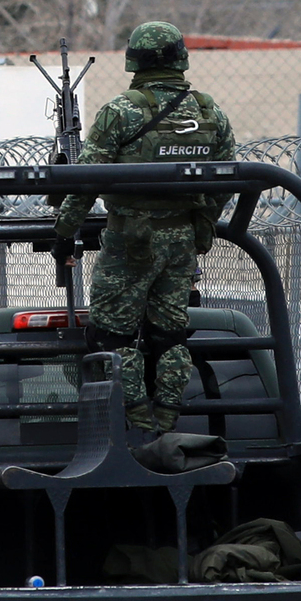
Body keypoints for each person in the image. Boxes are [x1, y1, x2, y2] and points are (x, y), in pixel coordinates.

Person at [53, 21, 236, 433]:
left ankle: (136, 419)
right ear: (181, 58)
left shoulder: (122, 111)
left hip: (129, 242)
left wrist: (64, 232)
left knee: (112, 335)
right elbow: (226, 181)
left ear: (133, 60)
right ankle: (167, 418)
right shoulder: (209, 113)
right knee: (170, 334)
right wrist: (202, 226)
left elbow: (85, 180)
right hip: (182, 241)